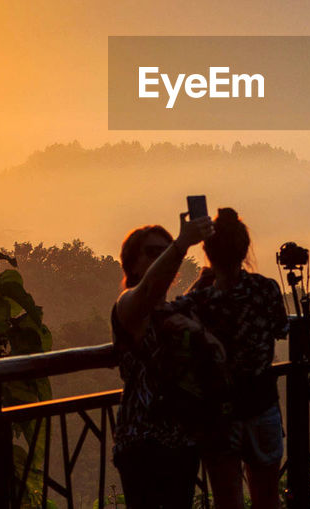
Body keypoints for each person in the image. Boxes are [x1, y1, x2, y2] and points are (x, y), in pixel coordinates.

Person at [176, 207, 289, 509]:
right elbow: (281, 328)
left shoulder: (200, 301)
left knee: (227, 500)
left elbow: (173, 312)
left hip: (219, 412)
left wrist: (201, 281)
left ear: (208, 254)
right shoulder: (266, 289)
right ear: (244, 250)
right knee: (267, 498)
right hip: (262, 403)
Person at [111, 213, 214, 509]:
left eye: (163, 251)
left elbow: (167, 312)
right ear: (131, 263)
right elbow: (148, 293)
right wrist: (181, 243)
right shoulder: (127, 304)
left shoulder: (172, 309)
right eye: (152, 252)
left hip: (181, 439)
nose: (161, 257)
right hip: (141, 441)